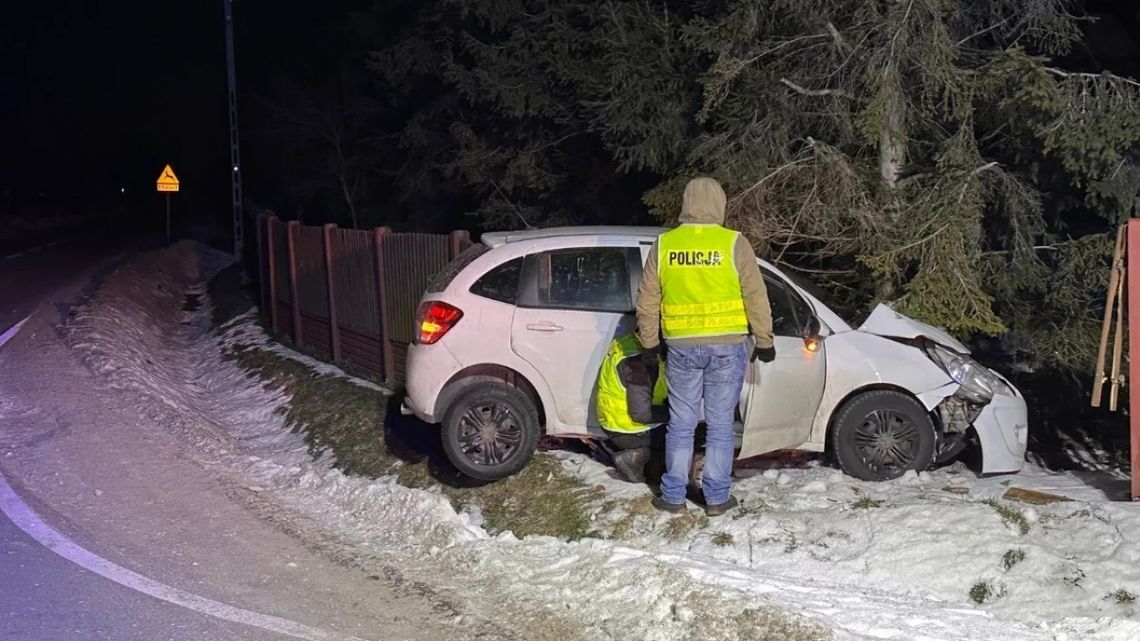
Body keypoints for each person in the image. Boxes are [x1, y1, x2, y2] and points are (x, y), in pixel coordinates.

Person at [635, 177, 774, 517]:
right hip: (727, 347)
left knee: (681, 424)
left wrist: (650, 343)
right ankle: (716, 498)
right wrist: (765, 339)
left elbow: (648, 300)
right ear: (719, 204)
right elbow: (755, 295)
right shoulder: (733, 243)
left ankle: (672, 496)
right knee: (720, 424)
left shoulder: (665, 245)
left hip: (681, 348)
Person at [596, 331, 668, 483]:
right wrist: (674, 413)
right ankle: (637, 456)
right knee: (682, 436)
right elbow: (641, 414)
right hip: (629, 429)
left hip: (614, 421)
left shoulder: (628, 341)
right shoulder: (639, 365)